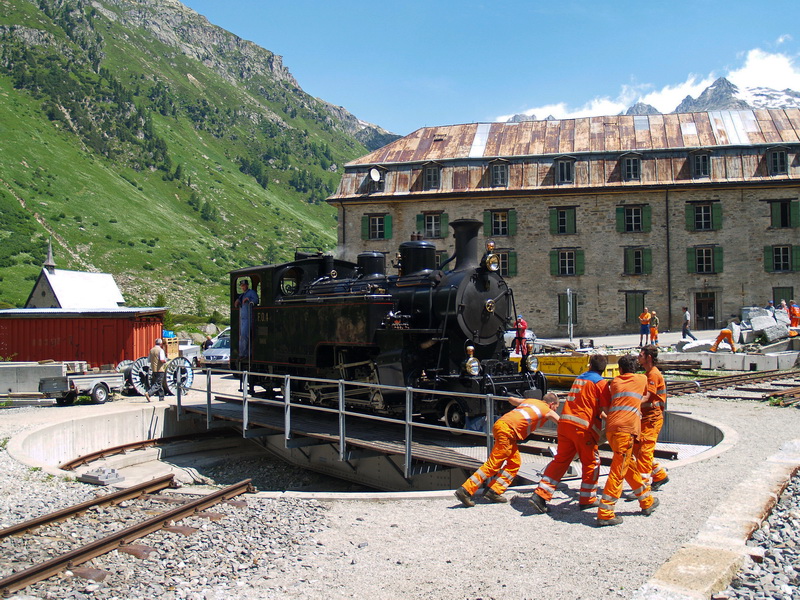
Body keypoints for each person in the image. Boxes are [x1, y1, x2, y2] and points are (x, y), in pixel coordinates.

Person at [529, 355, 611, 513]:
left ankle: (540, 495)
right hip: (582, 428)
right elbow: (605, 409)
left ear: (589, 366)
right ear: (604, 369)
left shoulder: (579, 379)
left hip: (565, 424)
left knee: (560, 461)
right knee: (592, 462)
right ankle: (587, 499)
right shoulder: (600, 383)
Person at [454, 392, 560, 507]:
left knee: (514, 463)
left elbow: (512, 399)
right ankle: (465, 490)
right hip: (508, 431)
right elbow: (562, 423)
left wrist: (508, 396)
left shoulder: (531, 401)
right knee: (493, 464)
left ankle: (494, 491)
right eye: (556, 407)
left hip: (502, 426)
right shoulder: (548, 410)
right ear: (552, 404)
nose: (555, 409)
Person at [596, 354, 659, 526]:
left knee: (628, 464)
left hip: (612, 429)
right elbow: (646, 396)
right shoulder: (641, 379)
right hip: (626, 430)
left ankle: (647, 501)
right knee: (618, 470)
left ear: (620, 370)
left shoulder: (615, 382)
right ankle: (606, 512)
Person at [629, 345, 669, 495]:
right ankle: (659, 475)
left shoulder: (653, 375)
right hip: (646, 418)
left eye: (641, 355)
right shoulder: (648, 373)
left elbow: (648, 397)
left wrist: (629, 404)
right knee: (638, 449)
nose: (638, 358)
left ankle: (642, 487)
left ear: (649, 358)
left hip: (652, 419)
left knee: (645, 452)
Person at [234, 279, 259, 360]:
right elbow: (239, 300)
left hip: (249, 316)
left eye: (244, 285)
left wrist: (249, 300)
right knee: (242, 336)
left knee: (245, 335)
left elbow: (256, 300)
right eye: (241, 286)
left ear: (247, 285)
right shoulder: (242, 295)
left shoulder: (251, 292)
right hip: (242, 317)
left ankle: (244, 353)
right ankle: (243, 353)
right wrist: (238, 300)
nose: (243, 287)